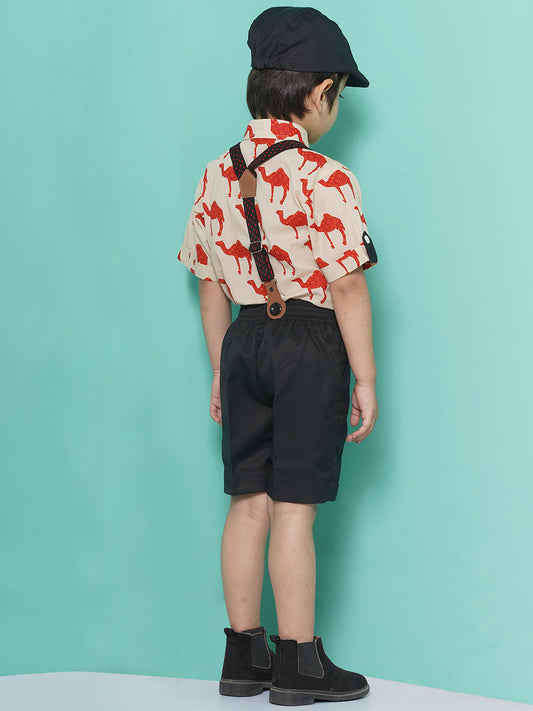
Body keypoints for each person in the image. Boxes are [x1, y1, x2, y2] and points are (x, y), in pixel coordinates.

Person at [178, 6, 379, 705]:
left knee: (247, 502)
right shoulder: (328, 177)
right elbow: (346, 285)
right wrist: (365, 377)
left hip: (242, 340)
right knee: (294, 508)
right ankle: (299, 664)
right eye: (337, 95)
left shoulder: (214, 174)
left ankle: (243, 656)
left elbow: (207, 283)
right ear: (320, 93)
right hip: (308, 342)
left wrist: (219, 367)